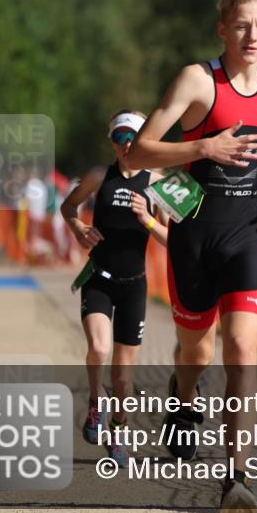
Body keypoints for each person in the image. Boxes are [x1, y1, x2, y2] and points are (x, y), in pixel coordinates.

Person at [127, 0, 257, 513]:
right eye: (242, 25)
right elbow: (136, 153)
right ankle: (182, 405)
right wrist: (203, 145)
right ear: (222, 28)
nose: (252, 35)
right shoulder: (198, 81)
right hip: (194, 237)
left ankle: (237, 479)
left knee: (242, 352)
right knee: (196, 353)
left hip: (246, 236)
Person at [60, 110, 169, 466]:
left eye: (132, 139)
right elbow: (68, 206)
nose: (125, 146)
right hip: (99, 278)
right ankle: (95, 403)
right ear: (112, 142)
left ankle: (119, 428)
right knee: (99, 348)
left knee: (123, 377)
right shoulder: (98, 176)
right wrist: (78, 229)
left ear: (142, 143)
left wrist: (148, 218)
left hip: (134, 286)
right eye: (119, 138)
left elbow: (172, 239)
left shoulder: (156, 182)